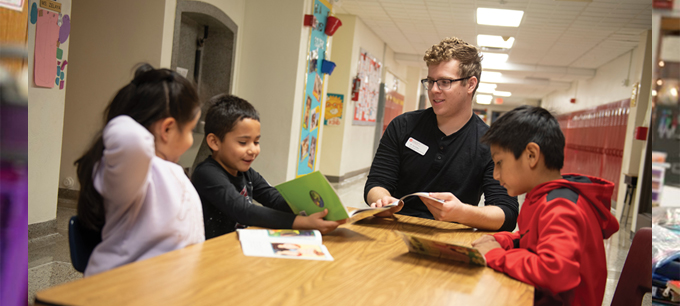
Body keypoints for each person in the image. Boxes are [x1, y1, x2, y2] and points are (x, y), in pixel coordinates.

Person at [450, 105, 618, 305]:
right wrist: (505, 241)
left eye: (500, 162)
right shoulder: (545, 197)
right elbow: (532, 239)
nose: (495, 175)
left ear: (531, 155)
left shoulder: (561, 207)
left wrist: (495, 254)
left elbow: (556, 272)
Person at [365, 37, 518, 231]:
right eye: (430, 81)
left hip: (451, 237)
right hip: (395, 228)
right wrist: (383, 200)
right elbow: (376, 183)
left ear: (471, 84)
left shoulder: (493, 144)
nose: (434, 90)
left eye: (445, 82)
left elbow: (507, 213)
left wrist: (463, 213)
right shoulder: (402, 126)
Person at [74, 64, 205, 276]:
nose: (191, 141)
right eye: (190, 130)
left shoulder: (171, 170)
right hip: (123, 289)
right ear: (168, 129)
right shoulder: (133, 171)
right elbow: (130, 138)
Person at [191, 94, 345, 239]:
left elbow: (274, 198)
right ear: (214, 142)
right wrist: (303, 223)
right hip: (213, 253)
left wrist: (314, 210)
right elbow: (243, 211)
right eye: (243, 142)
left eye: (256, 142)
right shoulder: (206, 173)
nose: (253, 150)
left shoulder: (247, 173)